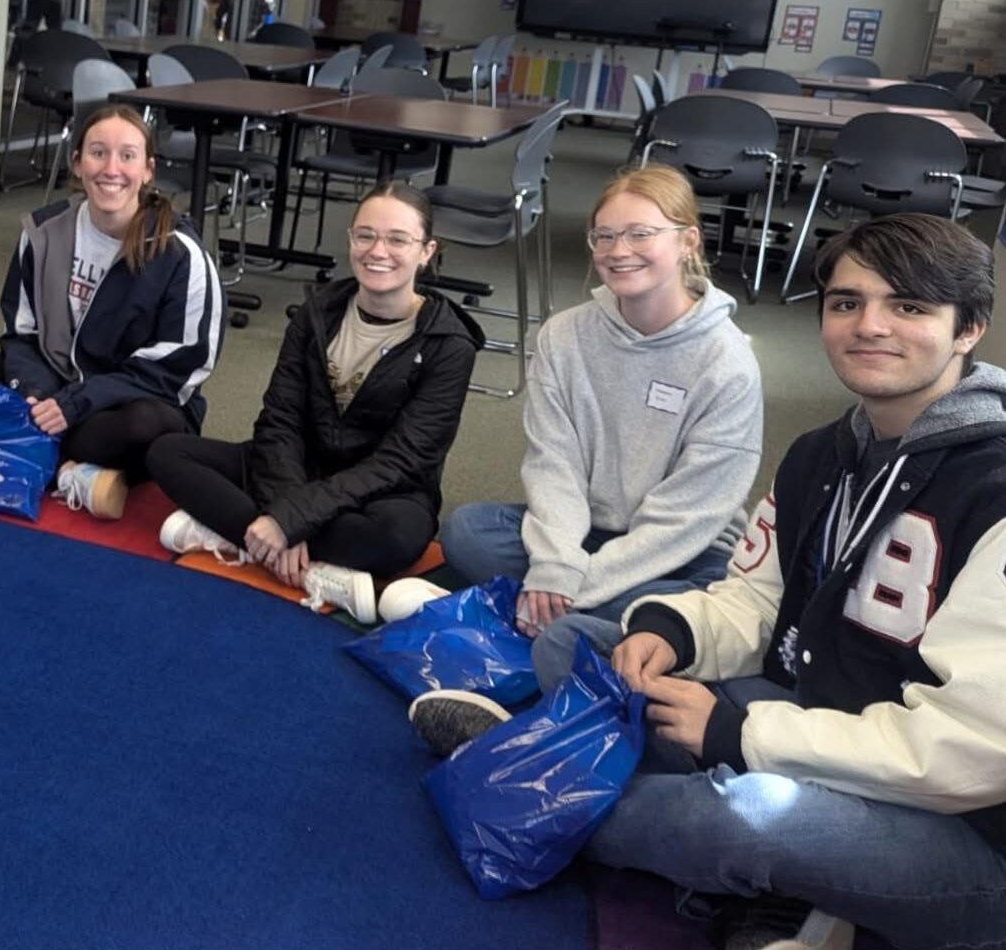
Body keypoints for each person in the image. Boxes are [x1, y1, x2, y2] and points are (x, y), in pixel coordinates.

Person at [419, 215, 1006, 950]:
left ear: (968, 329)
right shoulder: (821, 454)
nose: (870, 326)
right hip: (821, 712)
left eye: (909, 306)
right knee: (583, 644)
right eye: (847, 302)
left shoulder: (994, 489)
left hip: (961, 826)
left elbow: (972, 750)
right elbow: (759, 598)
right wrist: (673, 631)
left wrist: (738, 735)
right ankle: (778, 892)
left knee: (745, 814)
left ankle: (526, 775)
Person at [431, 164, 763, 639]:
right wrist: (556, 563)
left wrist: (573, 586)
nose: (618, 251)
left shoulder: (727, 362)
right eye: (604, 236)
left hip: (686, 549)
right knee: (466, 532)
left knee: (702, 597)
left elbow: (691, 515)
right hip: (584, 529)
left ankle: (559, 612)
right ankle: (588, 623)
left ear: (688, 241)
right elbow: (554, 464)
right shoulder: (564, 336)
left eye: (640, 234)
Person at [146, 182, 483, 622]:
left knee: (397, 538)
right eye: (366, 236)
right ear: (350, 240)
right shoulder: (318, 310)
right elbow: (279, 420)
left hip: (383, 491)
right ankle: (303, 560)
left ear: (426, 251)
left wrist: (290, 519)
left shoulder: (449, 343)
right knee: (168, 451)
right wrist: (288, 512)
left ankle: (235, 534)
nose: (378, 251)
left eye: (398, 239)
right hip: (303, 467)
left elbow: (401, 461)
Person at [0, 103, 224, 519]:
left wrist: (77, 403)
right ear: (78, 163)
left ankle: (8, 442)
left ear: (148, 169)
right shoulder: (44, 231)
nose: (111, 169)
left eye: (127, 155)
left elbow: (180, 365)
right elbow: (22, 332)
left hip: (128, 402)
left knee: (145, 427)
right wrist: (37, 393)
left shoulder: (181, 253)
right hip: (54, 385)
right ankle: (70, 469)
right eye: (98, 153)